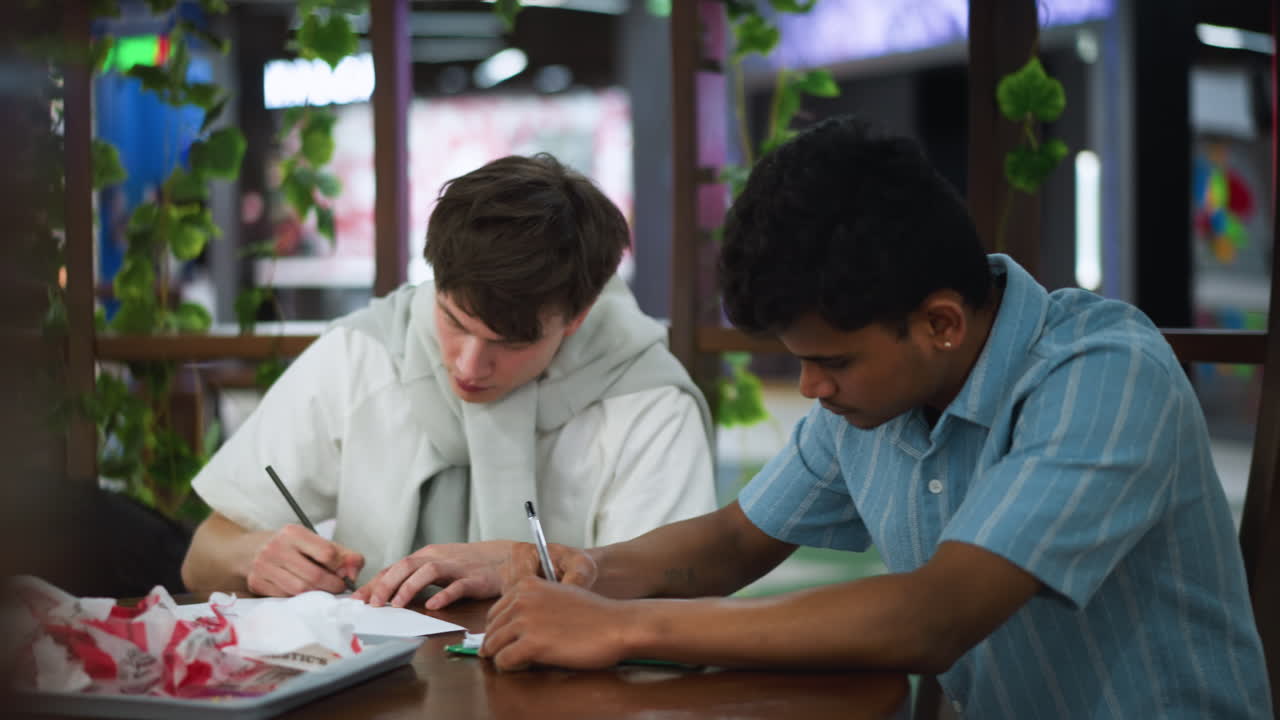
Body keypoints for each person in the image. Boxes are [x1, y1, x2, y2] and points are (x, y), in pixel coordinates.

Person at [480, 117, 1273, 718]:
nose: (812, 387)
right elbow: (733, 542)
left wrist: (624, 631)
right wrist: (587, 575)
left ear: (940, 323)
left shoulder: (1102, 375)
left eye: (833, 362)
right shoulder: (881, 395)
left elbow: (937, 615)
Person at [180, 154, 717, 610]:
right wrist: (252, 559)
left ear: (575, 318)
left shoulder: (649, 403)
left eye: (510, 343)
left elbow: (670, 607)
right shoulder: (365, 353)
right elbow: (203, 558)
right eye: (454, 322)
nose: (467, 365)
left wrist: (535, 572)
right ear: (434, 280)